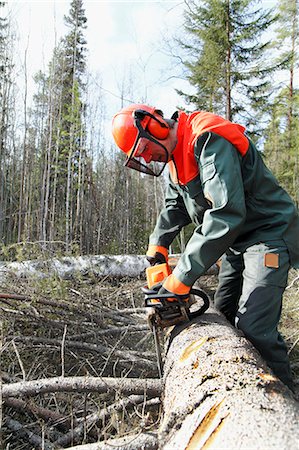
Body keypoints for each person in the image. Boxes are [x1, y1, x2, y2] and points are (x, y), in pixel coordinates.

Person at [112, 103, 299, 390]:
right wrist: (158, 244)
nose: (148, 157)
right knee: (221, 313)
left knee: (254, 328)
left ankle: (284, 400)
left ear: (155, 126)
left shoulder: (207, 137)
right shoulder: (176, 157)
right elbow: (175, 205)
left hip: (268, 234)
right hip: (237, 243)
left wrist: (181, 278)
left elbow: (226, 213)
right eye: (141, 156)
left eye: (145, 149)